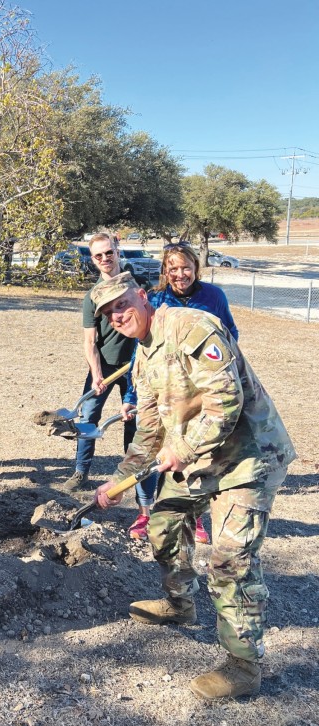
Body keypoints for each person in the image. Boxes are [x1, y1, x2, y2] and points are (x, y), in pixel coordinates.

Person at [92, 272, 296, 700]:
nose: (118, 315)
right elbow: (148, 433)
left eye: (122, 303)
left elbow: (227, 400)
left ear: (143, 296)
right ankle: (180, 602)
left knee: (230, 560)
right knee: (163, 523)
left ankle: (244, 665)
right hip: (202, 461)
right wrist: (117, 481)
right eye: (108, 312)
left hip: (248, 459)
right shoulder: (143, 356)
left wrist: (181, 448)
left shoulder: (191, 327)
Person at [121, 242, 239, 542]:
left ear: (196, 267)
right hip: (165, 389)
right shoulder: (158, 299)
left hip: (199, 392)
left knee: (194, 452)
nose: (180, 274)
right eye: (172, 268)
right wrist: (132, 397)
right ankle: (145, 513)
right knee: (152, 447)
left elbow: (231, 337)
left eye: (186, 267)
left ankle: (192, 516)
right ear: (165, 271)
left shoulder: (213, 297)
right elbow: (142, 350)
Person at [61, 234, 155, 519]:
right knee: (88, 419)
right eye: (98, 255)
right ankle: (80, 472)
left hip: (137, 367)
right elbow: (90, 342)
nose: (105, 259)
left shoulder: (136, 283)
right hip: (104, 366)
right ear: (92, 260)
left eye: (108, 253)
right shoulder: (92, 297)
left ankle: (137, 481)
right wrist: (97, 375)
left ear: (117, 251)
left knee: (136, 425)